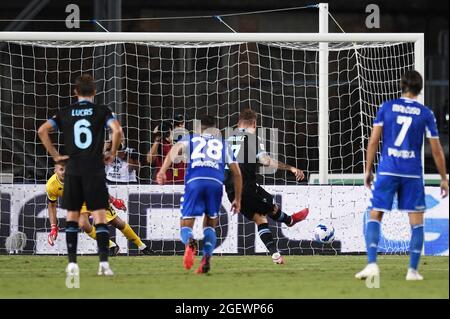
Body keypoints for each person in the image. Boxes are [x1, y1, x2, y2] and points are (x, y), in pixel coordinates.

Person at [355, 70, 448, 281]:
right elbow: (436, 150)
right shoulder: (426, 113)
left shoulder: (386, 108)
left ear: (401, 85)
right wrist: (443, 178)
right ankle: (412, 271)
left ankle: (372, 265)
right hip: (412, 174)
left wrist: (368, 170)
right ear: (420, 89)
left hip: (388, 169)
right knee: (417, 222)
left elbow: (373, 141)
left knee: (376, 214)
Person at [38, 73, 121, 277]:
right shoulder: (102, 111)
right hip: (94, 168)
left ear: (75, 92)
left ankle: (72, 264)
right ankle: (103, 264)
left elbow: (42, 130)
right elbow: (117, 131)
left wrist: (57, 156)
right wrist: (112, 153)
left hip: (73, 169)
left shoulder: (65, 112)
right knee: (100, 217)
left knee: (73, 218)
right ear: (94, 92)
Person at [157, 115, 242, 274]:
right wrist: (237, 199)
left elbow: (174, 152)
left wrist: (162, 171)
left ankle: (189, 241)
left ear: (199, 129)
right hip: (216, 183)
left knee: (185, 224)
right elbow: (237, 174)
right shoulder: (224, 144)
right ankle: (206, 258)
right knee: (210, 224)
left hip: (195, 182)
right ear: (215, 130)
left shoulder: (191, 138)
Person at [224, 108, 309, 265]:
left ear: (238, 123)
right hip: (246, 187)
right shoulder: (252, 139)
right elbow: (266, 161)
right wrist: (291, 168)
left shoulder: (227, 140)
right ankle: (289, 220)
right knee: (271, 207)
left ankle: (275, 254)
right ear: (254, 124)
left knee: (260, 218)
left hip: (230, 190)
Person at [46, 160, 153, 256]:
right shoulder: (51, 186)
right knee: (83, 224)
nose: (64, 172)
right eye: (61, 169)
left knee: (118, 223)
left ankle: (142, 246)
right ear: (55, 170)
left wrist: (113, 200)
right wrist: (53, 227)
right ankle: (111, 245)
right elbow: (51, 206)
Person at [147, 116, 186, 184]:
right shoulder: (161, 142)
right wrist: (157, 139)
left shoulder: (184, 140)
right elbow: (149, 160)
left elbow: (180, 156)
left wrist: (172, 141)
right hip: (163, 181)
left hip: (180, 181)